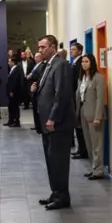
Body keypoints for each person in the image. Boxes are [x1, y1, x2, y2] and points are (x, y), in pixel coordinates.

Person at [33, 35, 74, 210]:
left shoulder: (61, 65)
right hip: (47, 124)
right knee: (51, 160)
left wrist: (52, 118)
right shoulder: (47, 66)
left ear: (53, 47)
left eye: (43, 47)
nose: (40, 50)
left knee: (59, 161)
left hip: (58, 124)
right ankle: (55, 192)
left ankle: (62, 197)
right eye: (39, 47)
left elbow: (62, 95)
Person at [75, 54, 105, 180]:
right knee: (88, 143)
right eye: (82, 62)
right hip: (83, 112)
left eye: (86, 61)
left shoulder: (98, 78)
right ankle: (93, 168)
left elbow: (100, 98)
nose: (84, 64)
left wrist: (98, 116)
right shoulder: (82, 78)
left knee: (96, 144)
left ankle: (98, 170)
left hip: (94, 115)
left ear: (92, 63)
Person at [70, 42, 88, 160]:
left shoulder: (79, 63)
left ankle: (83, 151)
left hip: (78, 98)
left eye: (74, 50)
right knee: (77, 125)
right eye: (71, 49)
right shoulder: (74, 63)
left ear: (80, 51)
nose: (71, 51)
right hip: (74, 97)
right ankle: (80, 149)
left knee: (80, 126)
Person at [5, 56, 21, 127]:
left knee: (15, 106)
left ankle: (16, 121)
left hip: (14, 92)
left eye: (9, 61)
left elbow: (15, 82)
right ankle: (10, 120)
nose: (8, 63)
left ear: (13, 62)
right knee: (11, 106)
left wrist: (12, 90)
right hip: (10, 92)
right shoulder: (12, 69)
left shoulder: (17, 69)